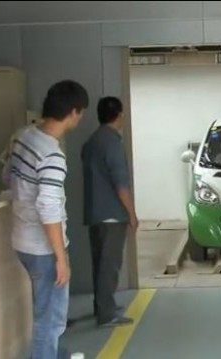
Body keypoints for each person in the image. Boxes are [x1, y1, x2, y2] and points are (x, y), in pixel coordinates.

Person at [3, 80, 88, 358]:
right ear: (74, 112)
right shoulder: (52, 154)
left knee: (46, 315)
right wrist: (60, 256)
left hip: (21, 239)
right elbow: (48, 207)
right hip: (42, 248)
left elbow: (6, 176)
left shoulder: (23, 136)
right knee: (49, 322)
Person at [81, 96, 138, 327]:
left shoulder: (91, 142)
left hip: (94, 212)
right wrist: (132, 215)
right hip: (112, 214)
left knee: (99, 264)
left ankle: (103, 306)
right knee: (110, 266)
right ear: (119, 115)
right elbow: (120, 185)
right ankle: (107, 315)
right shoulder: (113, 143)